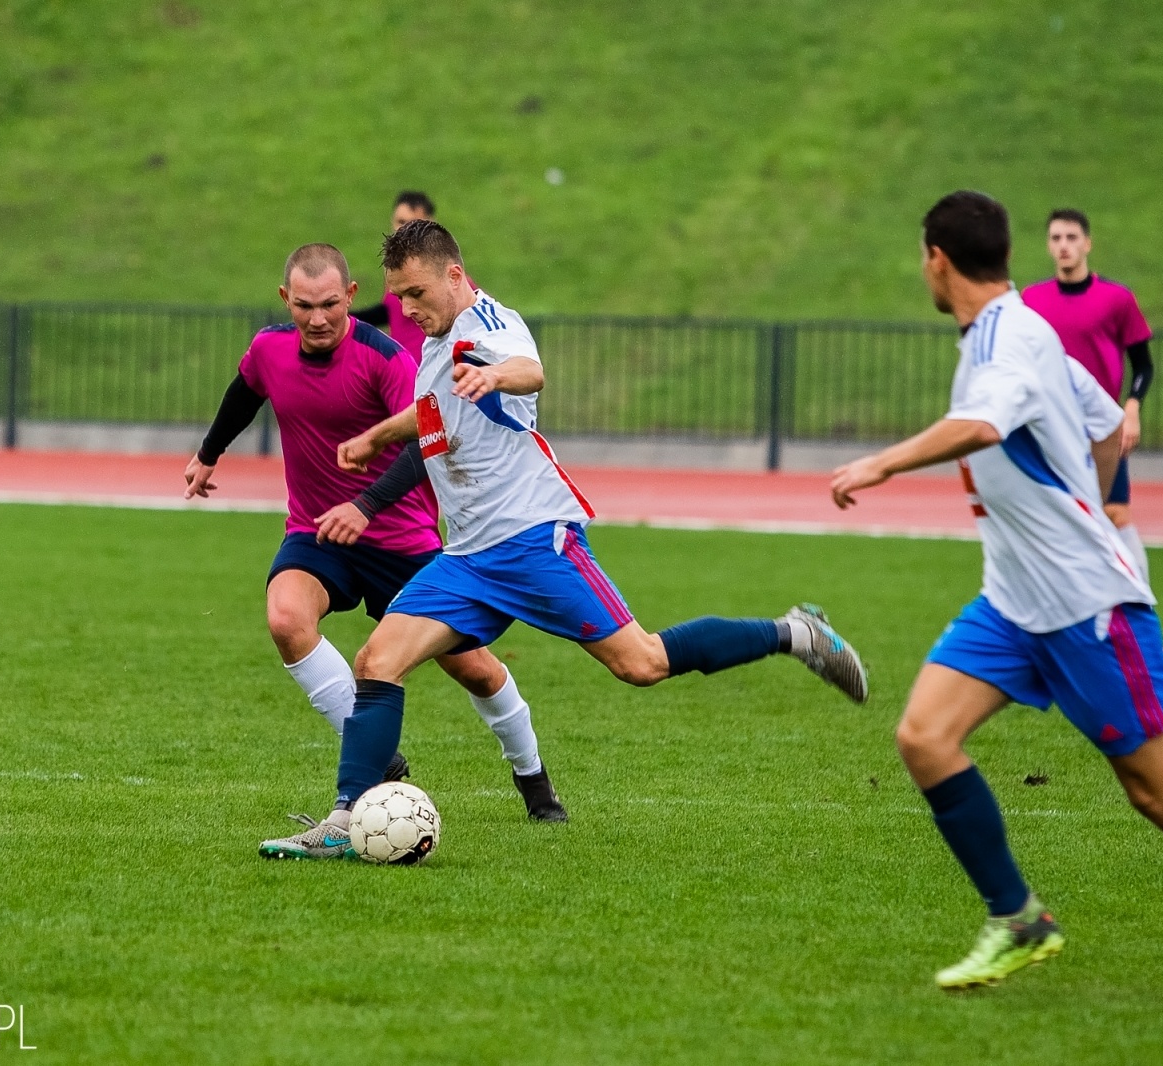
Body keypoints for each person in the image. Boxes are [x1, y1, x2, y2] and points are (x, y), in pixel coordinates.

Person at [827, 192, 1163, 996]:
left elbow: (987, 426)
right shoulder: (1024, 327)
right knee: (924, 737)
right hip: (1013, 600)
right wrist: (1083, 503)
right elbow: (1107, 424)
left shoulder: (1005, 344)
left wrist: (880, 464)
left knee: (1158, 792)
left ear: (937, 260)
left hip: (1089, 606)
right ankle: (1018, 918)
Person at [270, 218, 869, 860]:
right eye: (399, 296)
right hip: (468, 558)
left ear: (453, 275)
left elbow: (530, 369)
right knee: (376, 662)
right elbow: (433, 412)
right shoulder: (437, 343)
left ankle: (794, 631)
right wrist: (378, 438)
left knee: (641, 663)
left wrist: (497, 378)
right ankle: (343, 818)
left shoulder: (490, 327)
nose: (407, 309)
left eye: (416, 293)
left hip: (533, 541)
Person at [181, 243, 569, 853]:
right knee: (286, 618)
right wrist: (208, 454)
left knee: (472, 665)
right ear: (286, 300)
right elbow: (245, 390)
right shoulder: (268, 348)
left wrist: (366, 507)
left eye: (330, 305)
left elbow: (428, 438)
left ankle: (533, 779)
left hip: (399, 537)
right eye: (305, 306)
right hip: (316, 532)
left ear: (350, 296)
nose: (317, 319)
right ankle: (375, 757)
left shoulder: (386, 359)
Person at [1022, 208, 1154, 581]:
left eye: (1071, 237)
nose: (1064, 246)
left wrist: (1131, 409)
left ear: (1087, 243)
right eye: (1056, 238)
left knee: (1114, 513)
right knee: (1054, 519)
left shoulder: (1116, 298)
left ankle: (1140, 597)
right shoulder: (1031, 299)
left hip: (1100, 429)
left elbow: (1143, 364)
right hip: (1050, 429)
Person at [352, 191, 440, 359]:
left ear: (430, 224)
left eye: (412, 223)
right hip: (402, 368)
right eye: (400, 222)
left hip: (430, 371)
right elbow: (391, 311)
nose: (403, 230)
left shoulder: (442, 270)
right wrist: (342, 317)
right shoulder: (398, 269)